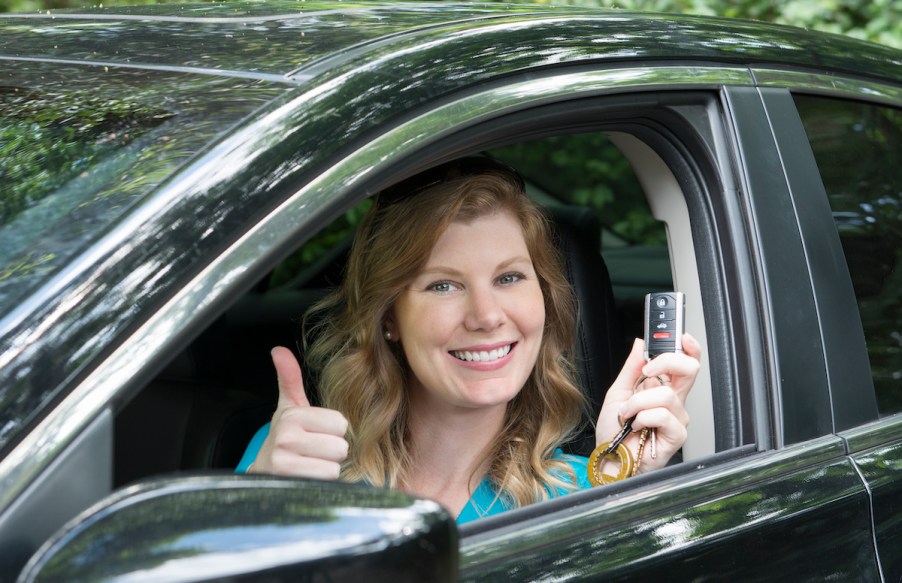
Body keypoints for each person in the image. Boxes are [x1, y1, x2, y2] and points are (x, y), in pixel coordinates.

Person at [236, 156, 701, 524]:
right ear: (388, 317)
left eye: (510, 277)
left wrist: (625, 492)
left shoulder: (588, 492)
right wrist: (251, 513)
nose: (486, 316)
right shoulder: (294, 459)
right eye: (443, 285)